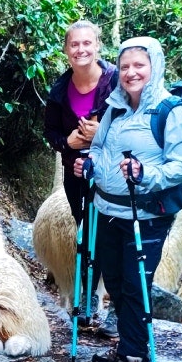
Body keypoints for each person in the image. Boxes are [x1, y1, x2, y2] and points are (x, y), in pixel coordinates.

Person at [74, 36, 182, 362]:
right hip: (107, 209)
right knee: (114, 281)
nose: (131, 72)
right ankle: (124, 347)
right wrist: (91, 164)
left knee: (136, 285)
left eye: (139, 65)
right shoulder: (114, 108)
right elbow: (100, 147)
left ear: (154, 66)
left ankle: (136, 360)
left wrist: (145, 174)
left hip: (145, 216)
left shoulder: (172, 112)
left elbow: (181, 167)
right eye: (125, 66)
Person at [43, 20, 119, 335]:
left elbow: (134, 124)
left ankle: (110, 306)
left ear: (97, 46)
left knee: (111, 235)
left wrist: (102, 134)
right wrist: (68, 143)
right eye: (74, 45)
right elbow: (51, 132)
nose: (81, 50)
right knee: (86, 233)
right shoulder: (60, 90)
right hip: (76, 174)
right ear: (66, 50)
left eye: (87, 43)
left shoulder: (116, 81)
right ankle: (87, 299)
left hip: (113, 174)